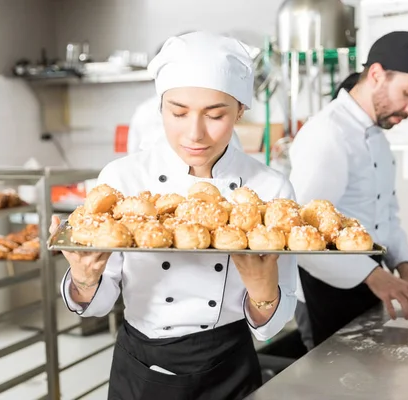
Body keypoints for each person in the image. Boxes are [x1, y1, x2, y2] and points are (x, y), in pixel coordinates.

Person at [51, 31, 298, 399]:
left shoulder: (268, 190)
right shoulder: (123, 179)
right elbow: (97, 305)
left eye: (215, 115)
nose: (195, 133)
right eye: (178, 112)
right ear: (160, 106)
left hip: (229, 364)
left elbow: (270, 326)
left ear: (241, 110)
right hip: (142, 363)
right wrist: (85, 279)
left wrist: (263, 294)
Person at [289, 31, 408, 350]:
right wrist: (375, 276)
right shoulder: (327, 134)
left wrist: (405, 265)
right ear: (376, 75)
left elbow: (386, 213)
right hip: (326, 291)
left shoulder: (377, 135)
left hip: (369, 284)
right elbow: (303, 235)